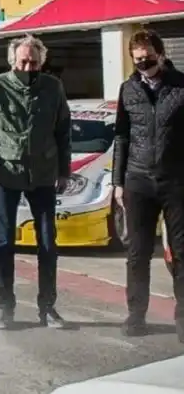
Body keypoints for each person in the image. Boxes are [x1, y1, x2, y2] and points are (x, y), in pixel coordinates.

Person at [0, 34, 72, 330]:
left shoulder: (53, 88)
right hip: (6, 176)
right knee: (3, 243)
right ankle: (6, 307)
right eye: (23, 62)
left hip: (43, 177)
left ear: (42, 62)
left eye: (34, 62)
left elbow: (63, 131)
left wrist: (64, 171)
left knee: (47, 243)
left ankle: (48, 307)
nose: (29, 67)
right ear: (12, 61)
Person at [112, 29, 184, 341]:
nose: (144, 64)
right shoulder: (127, 89)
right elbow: (121, 137)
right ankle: (136, 315)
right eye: (138, 60)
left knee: (181, 253)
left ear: (161, 54)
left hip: (176, 182)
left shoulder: (181, 86)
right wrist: (117, 182)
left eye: (148, 58)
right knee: (137, 253)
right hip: (137, 181)